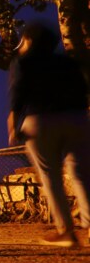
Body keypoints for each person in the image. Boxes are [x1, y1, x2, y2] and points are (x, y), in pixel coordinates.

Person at [8, 21, 90, 248]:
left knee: (50, 176)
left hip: (41, 120)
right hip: (77, 118)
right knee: (82, 173)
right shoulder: (69, 64)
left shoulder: (23, 62)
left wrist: (14, 119)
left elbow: (18, 92)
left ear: (29, 41)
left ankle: (66, 231)